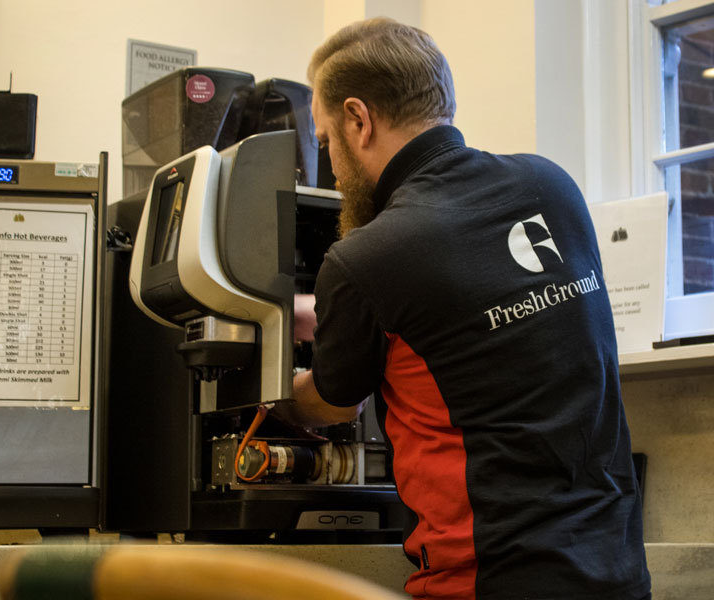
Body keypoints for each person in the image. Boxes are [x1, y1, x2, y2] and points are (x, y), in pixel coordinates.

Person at [278, 17, 651, 600]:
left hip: (490, 579)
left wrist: (275, 384)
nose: (330, 163)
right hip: (616, 571)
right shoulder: (551, 186)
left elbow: (331, 402)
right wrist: (335, 315)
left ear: (358, 118)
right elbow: (469, 321)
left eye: (326, 142)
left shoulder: (367, 257)